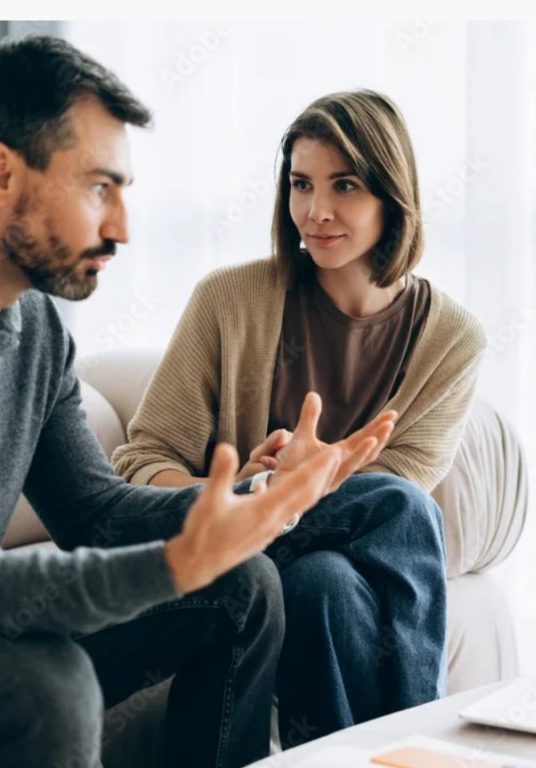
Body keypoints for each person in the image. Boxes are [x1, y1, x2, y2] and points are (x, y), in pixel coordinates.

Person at [0, 36, 395, 768]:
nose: (121, 228)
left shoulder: (38, 332)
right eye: (98, 189)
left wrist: (258, 496)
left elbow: (96, 512)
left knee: (246, 583)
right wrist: (174, 563)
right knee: (47, 686)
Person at [113, 89, 485, 745]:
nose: (316, 212)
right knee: (398, 509)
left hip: (336, 577)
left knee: (325, 578)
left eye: (345, 185)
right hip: (231, 542)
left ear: (393, 196)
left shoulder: (451, 340)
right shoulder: (228, 300)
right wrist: (252, 490)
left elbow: (394, 510)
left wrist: (309, 483)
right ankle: (419, 745)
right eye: (300, 184)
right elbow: (141, 462)